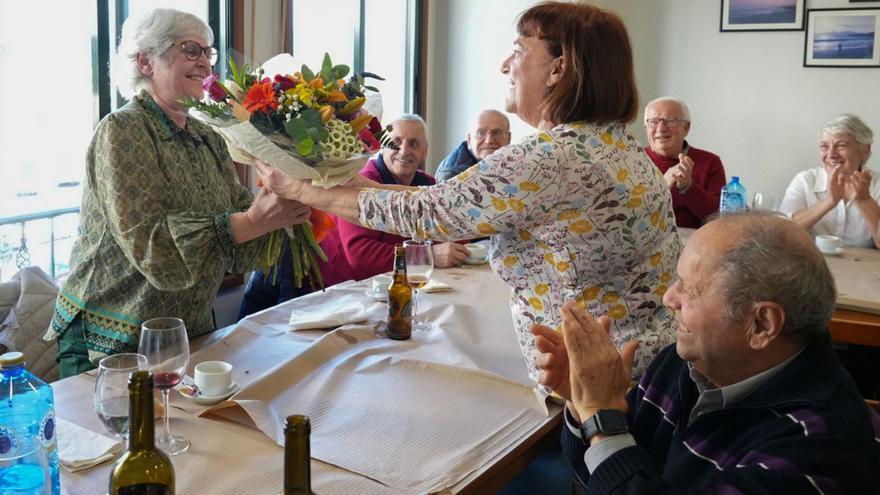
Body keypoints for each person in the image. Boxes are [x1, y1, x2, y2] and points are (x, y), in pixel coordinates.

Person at [254, 2, 681, 383]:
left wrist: (294, 186)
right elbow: (414, 203)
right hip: (645, 367)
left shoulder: (550, 158)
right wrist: (323, 175)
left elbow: (425, 214)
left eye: (518, 51)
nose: (504, 65)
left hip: (599, 381)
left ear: (559, 68)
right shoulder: (620, 147)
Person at [44, 8, 311, 378]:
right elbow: (154, 247)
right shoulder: (122, 131)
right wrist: (252, 221)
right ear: (146, 61)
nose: (205, 63)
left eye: (208, 52)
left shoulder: (209, 136)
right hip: (111, 335)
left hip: (186, 329)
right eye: (191, 50)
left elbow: (237, 237)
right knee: (119, 435)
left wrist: (284, 205)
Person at [532, 212, 880, 494]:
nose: (669, 298)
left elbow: (614, 462)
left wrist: (602, 417)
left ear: (761, 324)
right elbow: (601, 475)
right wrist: (582, 402)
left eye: (690, 289)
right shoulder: (683, 363)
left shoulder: (822, 447)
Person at [237, 115, 469, 318]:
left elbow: (455, 231)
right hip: (343, 299)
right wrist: (426, 255)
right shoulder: (357, 181)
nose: (404, 150)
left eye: (414, 144)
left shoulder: (426, 184)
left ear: (425, 152)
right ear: (381, 145)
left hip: (392, 293)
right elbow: (361, 256)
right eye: (396, 142)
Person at [779, 114, 880, 248]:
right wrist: (828, 202)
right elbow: (782, 233)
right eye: (824, 146)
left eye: (841, 146)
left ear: (864, 151)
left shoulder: (877, 185)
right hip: (812, 266)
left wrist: (865, 201)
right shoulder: (805, 180)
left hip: (864, 267)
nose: (831, 154)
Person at [643, 97, 727, 228]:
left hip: (693, 243)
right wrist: (662, 187)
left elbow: (717, 217)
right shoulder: (634, 160)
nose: (661, 128)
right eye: (653, 122)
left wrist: (688, 187)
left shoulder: (710, 162)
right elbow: (626, 213)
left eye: (670, 121)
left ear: (686, 128)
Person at [435, 109, 512, 182]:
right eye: (481, 133)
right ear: (469, 140)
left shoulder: (516, 161)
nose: (489, 141)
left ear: (509, 138)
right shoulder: (452, 174)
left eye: (497, 133)